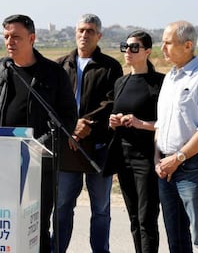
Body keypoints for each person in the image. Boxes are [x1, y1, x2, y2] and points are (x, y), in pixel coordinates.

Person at [0, 14, 78, 252]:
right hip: (4, 161)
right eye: (6, 37)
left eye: (16, 37)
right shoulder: (3, 70)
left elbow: (68, 117)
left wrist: (38, 145)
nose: (9, 42)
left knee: (36, 226)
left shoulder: (53, 74)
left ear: (32, 38)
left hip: (38, 164)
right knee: (7, 224)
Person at [53, 14, 123, 252]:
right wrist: (72, 126)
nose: (84, 35)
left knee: (101, 209)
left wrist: (86, 123)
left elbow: (112, 102)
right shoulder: (60, 65)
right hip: (68, 146)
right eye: (81, 30)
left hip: (98, 147)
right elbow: (53, 104)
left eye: (90, 31)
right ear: (75, 33)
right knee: (62, 206)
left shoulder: (111, 67)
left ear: (99, 36)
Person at [154, 20, 198, 253]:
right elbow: (161, 125)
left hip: (191, 167)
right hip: (165, 167)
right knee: (176, 239)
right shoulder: (169, 79)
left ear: (188, 45)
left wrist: (179, 158)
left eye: (168, 43)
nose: (162, 48)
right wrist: (159, 160)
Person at [105, 30, 164, 253]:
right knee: (133, 217)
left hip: (147, 158)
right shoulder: (121, 82)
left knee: (147, 218)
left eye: (134, 47)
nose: (128, 51)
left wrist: (141, 123)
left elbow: (166, 123)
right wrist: (112, 122)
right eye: (125, 47)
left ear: (147, 51)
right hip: (123, 156)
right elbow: (115, 115)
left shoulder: (159, 83)